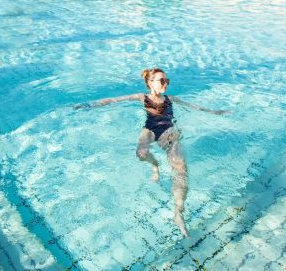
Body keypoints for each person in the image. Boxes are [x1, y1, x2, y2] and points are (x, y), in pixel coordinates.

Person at [76, 67, 228, 237]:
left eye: (167, 81)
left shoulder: (170, 99)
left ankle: (178, 213)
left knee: (180, 166)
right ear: (150, 83)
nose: (165, 84)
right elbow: (114, 100)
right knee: (141, 154)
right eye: (161, 81)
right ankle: (155, 165)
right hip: (149, 129)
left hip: (168, 131)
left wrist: (216, 112)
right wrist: (89, 105)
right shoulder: (143, 97)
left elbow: (195, 107)